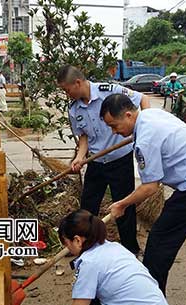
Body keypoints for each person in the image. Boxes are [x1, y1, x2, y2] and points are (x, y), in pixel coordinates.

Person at [100, 94, 186, 295]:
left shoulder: (145, 140)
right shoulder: (150, 114)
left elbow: (150, 187)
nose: (114, 132)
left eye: (114, 126)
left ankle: (151, 303)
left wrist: (122, 204)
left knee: (159, 241)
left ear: (128, 115)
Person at [57, 65, 150, 255]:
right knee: (87, 207)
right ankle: (84, 246)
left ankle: (131, 249)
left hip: (119, 160)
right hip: (96, 162)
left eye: (67, 90)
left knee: (124, 205)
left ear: (77, 82)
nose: (67, 94)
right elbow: (83, 136)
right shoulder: (74, 109)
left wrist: (145, 129)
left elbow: (143, 99)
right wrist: (80, 157)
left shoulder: (110, 92)